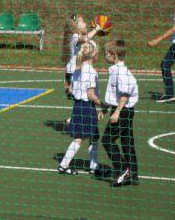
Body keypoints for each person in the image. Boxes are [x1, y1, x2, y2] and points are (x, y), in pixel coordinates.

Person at [58, 40, 102, 175]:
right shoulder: (91, 71)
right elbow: (91, 95)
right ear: (94, 54)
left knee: (94, 135)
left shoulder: (77, 69)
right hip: (86, 106)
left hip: (78, 105)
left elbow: (71, 90)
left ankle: (94, 165)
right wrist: (103, 105)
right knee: (80, 138)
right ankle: (64, 165)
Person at [101, 39, 139, 187]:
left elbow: (124, 95)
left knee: (107, 140)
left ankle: (123, 170)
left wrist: (116, 112)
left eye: (106, 53)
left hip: (123, 111)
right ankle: (133, 174)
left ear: (113, 55)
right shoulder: (115, 70)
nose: (104, 56)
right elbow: (114, 94)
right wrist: (105, 109)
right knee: (127, 142)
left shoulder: (121, 73)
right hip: (122, 110)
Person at [62, 15, 101, 100]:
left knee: (78, 94)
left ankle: (70, 91)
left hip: (77, 69)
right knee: (79, 94)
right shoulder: (75, 36)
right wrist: (96, 29)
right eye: (83, 22)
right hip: (73, 70)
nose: (85, 23)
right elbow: (85, 39)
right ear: (76, 26)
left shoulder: (82, 37)